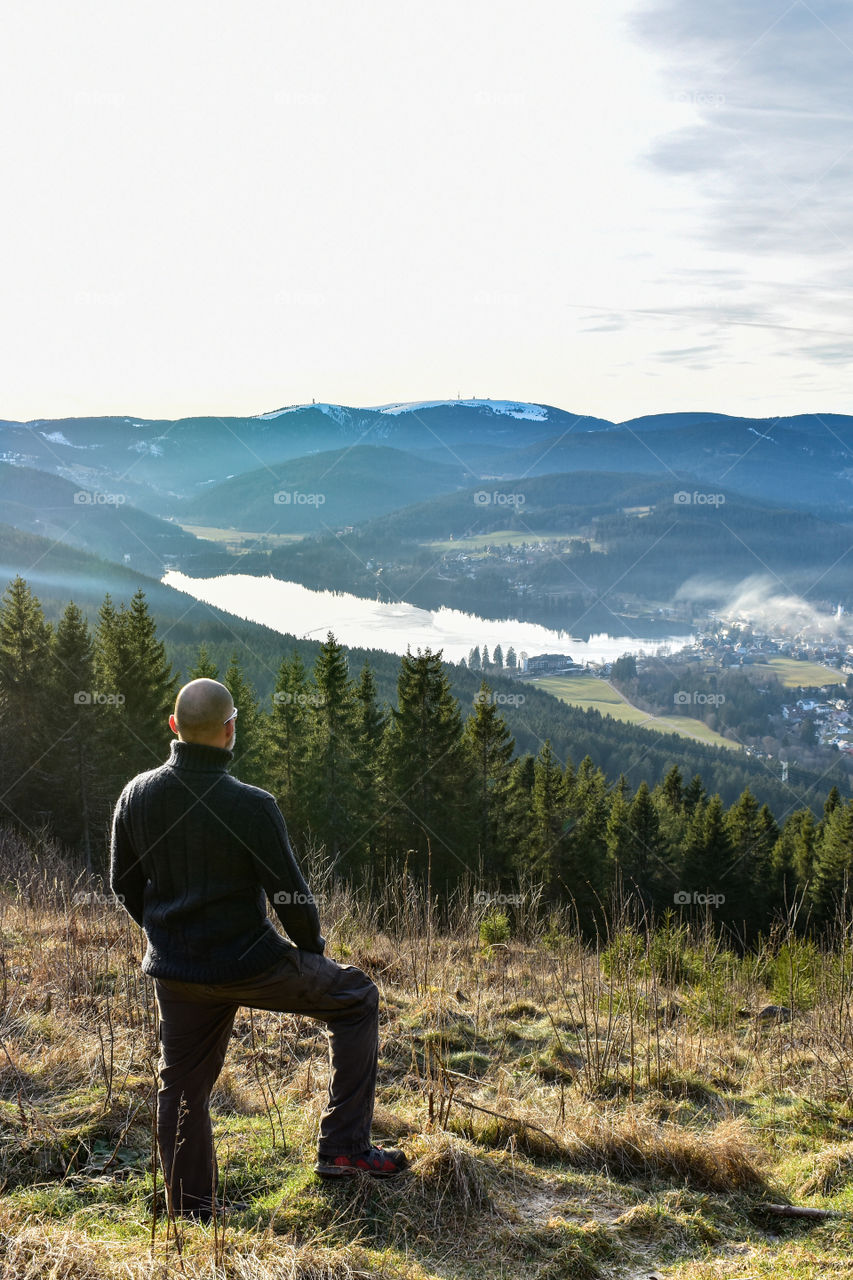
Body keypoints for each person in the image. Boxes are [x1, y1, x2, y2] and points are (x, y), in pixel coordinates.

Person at [110, 677, 408, 1222]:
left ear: (175, 727)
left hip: (177, 971)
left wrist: (167, 937)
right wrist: (312, 951)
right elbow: (291, 895)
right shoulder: (251, 806)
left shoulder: (137, 795)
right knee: (358, 997)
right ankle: (343, 1150)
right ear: (230, 730)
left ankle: (192, 1211)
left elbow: (123, 884)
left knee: (180, 1086)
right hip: (251, 963)